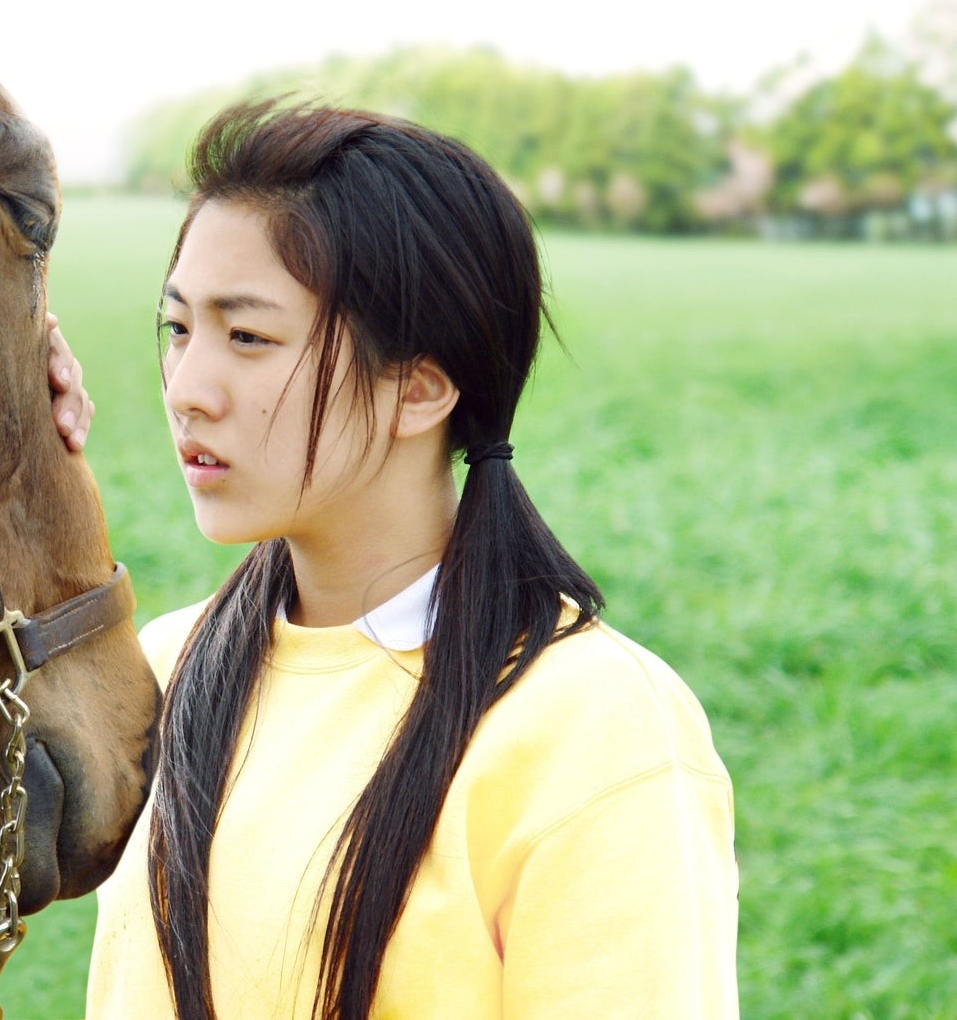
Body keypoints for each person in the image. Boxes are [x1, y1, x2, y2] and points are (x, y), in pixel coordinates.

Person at [68, 101, 737, 1018]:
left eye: (249, 336)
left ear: (418, 387)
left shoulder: (590, 724)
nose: (186, 389)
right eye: (178, 328)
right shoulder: (167, 664)